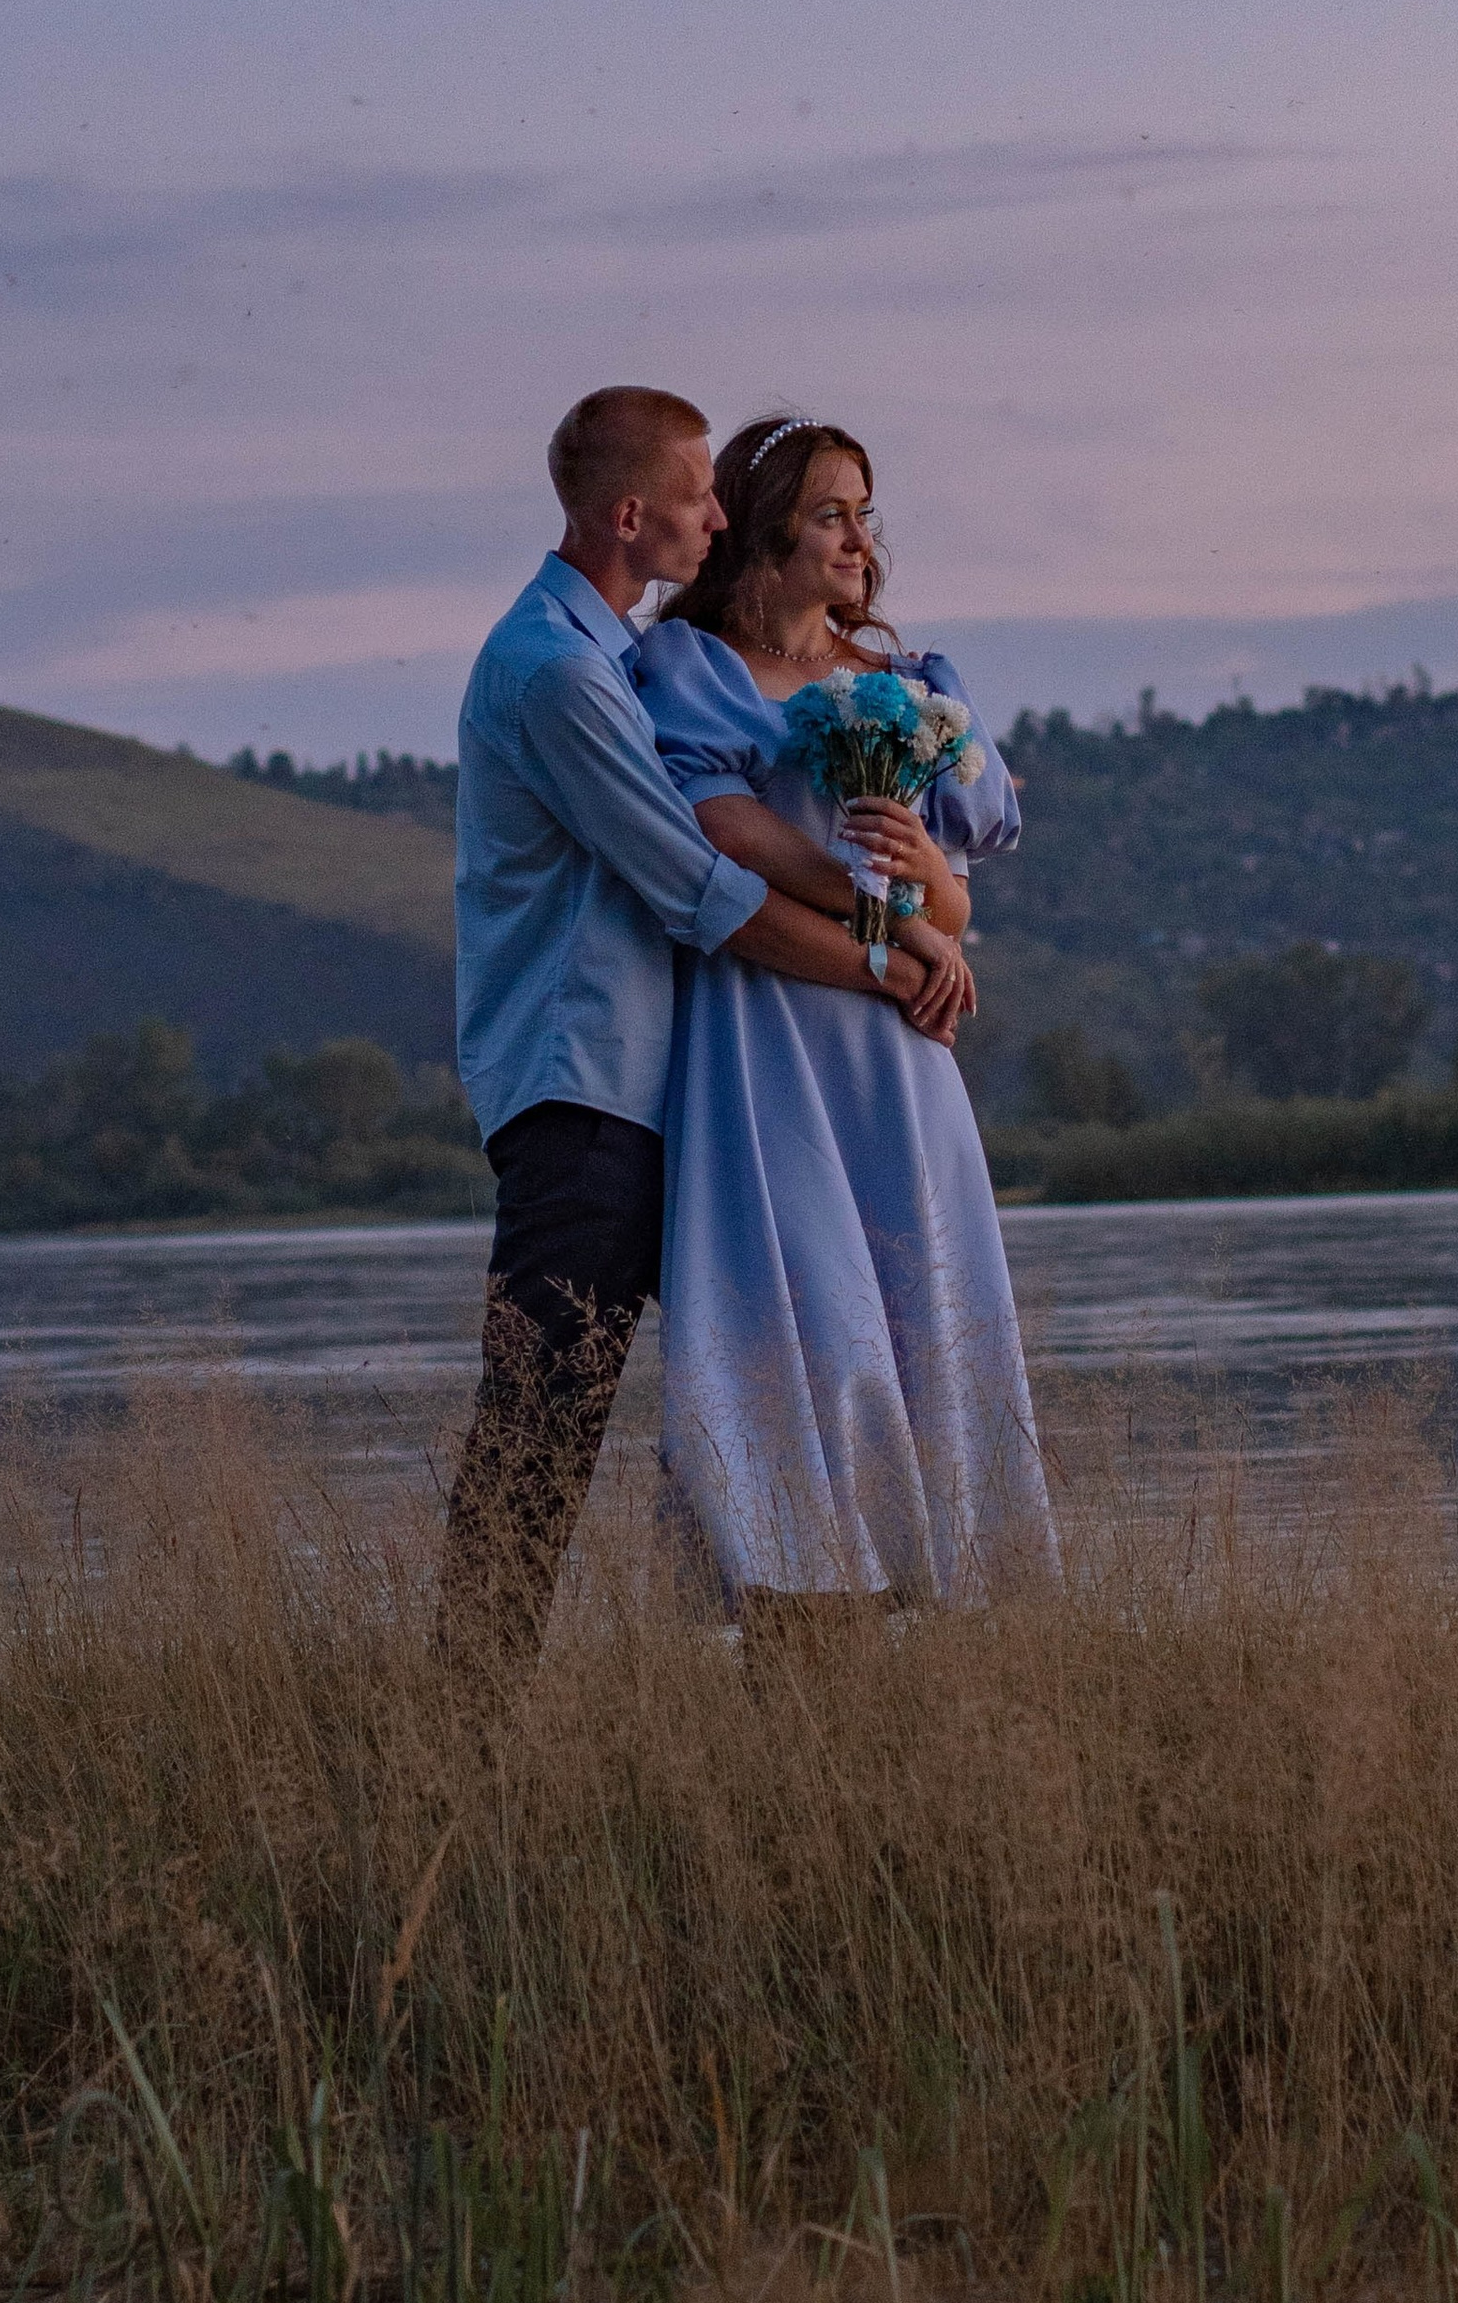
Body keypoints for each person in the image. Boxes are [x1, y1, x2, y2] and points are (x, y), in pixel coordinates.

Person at [438, 385, 970, 1672]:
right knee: (540, 1431)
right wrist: (890, 962)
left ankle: (812, 1692)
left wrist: (917, 922)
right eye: (695, 496)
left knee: (780, 1383)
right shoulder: (559, 675)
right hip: (585, 1101)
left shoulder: (611, 657)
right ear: (632, 515)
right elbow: (699, 894)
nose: (716, 515)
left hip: (672, 1097)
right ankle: (456, 1743)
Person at [632, 414, 1060, 1605]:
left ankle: (944, 1576)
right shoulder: (694, 673)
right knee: (805, 1306)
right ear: (762, 534)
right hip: (769, 1030)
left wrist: (921, 870)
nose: (860, 538)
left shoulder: (906, 689)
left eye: (867, 512)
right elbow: (723, 826)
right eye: (831, 512)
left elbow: (957, 904)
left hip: (900, 1053)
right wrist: (896, 925)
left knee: (922, 1301)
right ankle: (801, 1578)